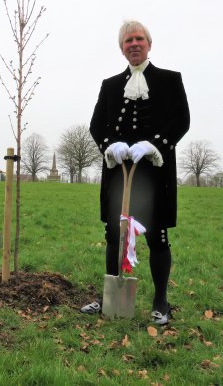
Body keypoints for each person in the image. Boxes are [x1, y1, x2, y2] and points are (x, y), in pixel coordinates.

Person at [81, 20, 190, 325]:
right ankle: (110, 298)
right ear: (122, 48)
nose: (134, 44)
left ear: (149, 44)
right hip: (120, 175)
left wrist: (154, 145)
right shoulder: (111, 85)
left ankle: (160, 302)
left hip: (155, 174)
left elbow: (181, 120)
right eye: (128, 41)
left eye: (139, 39)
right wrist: (109, 145)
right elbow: (96, 125)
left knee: (158, 238)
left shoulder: (170, 80)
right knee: (114, 236)